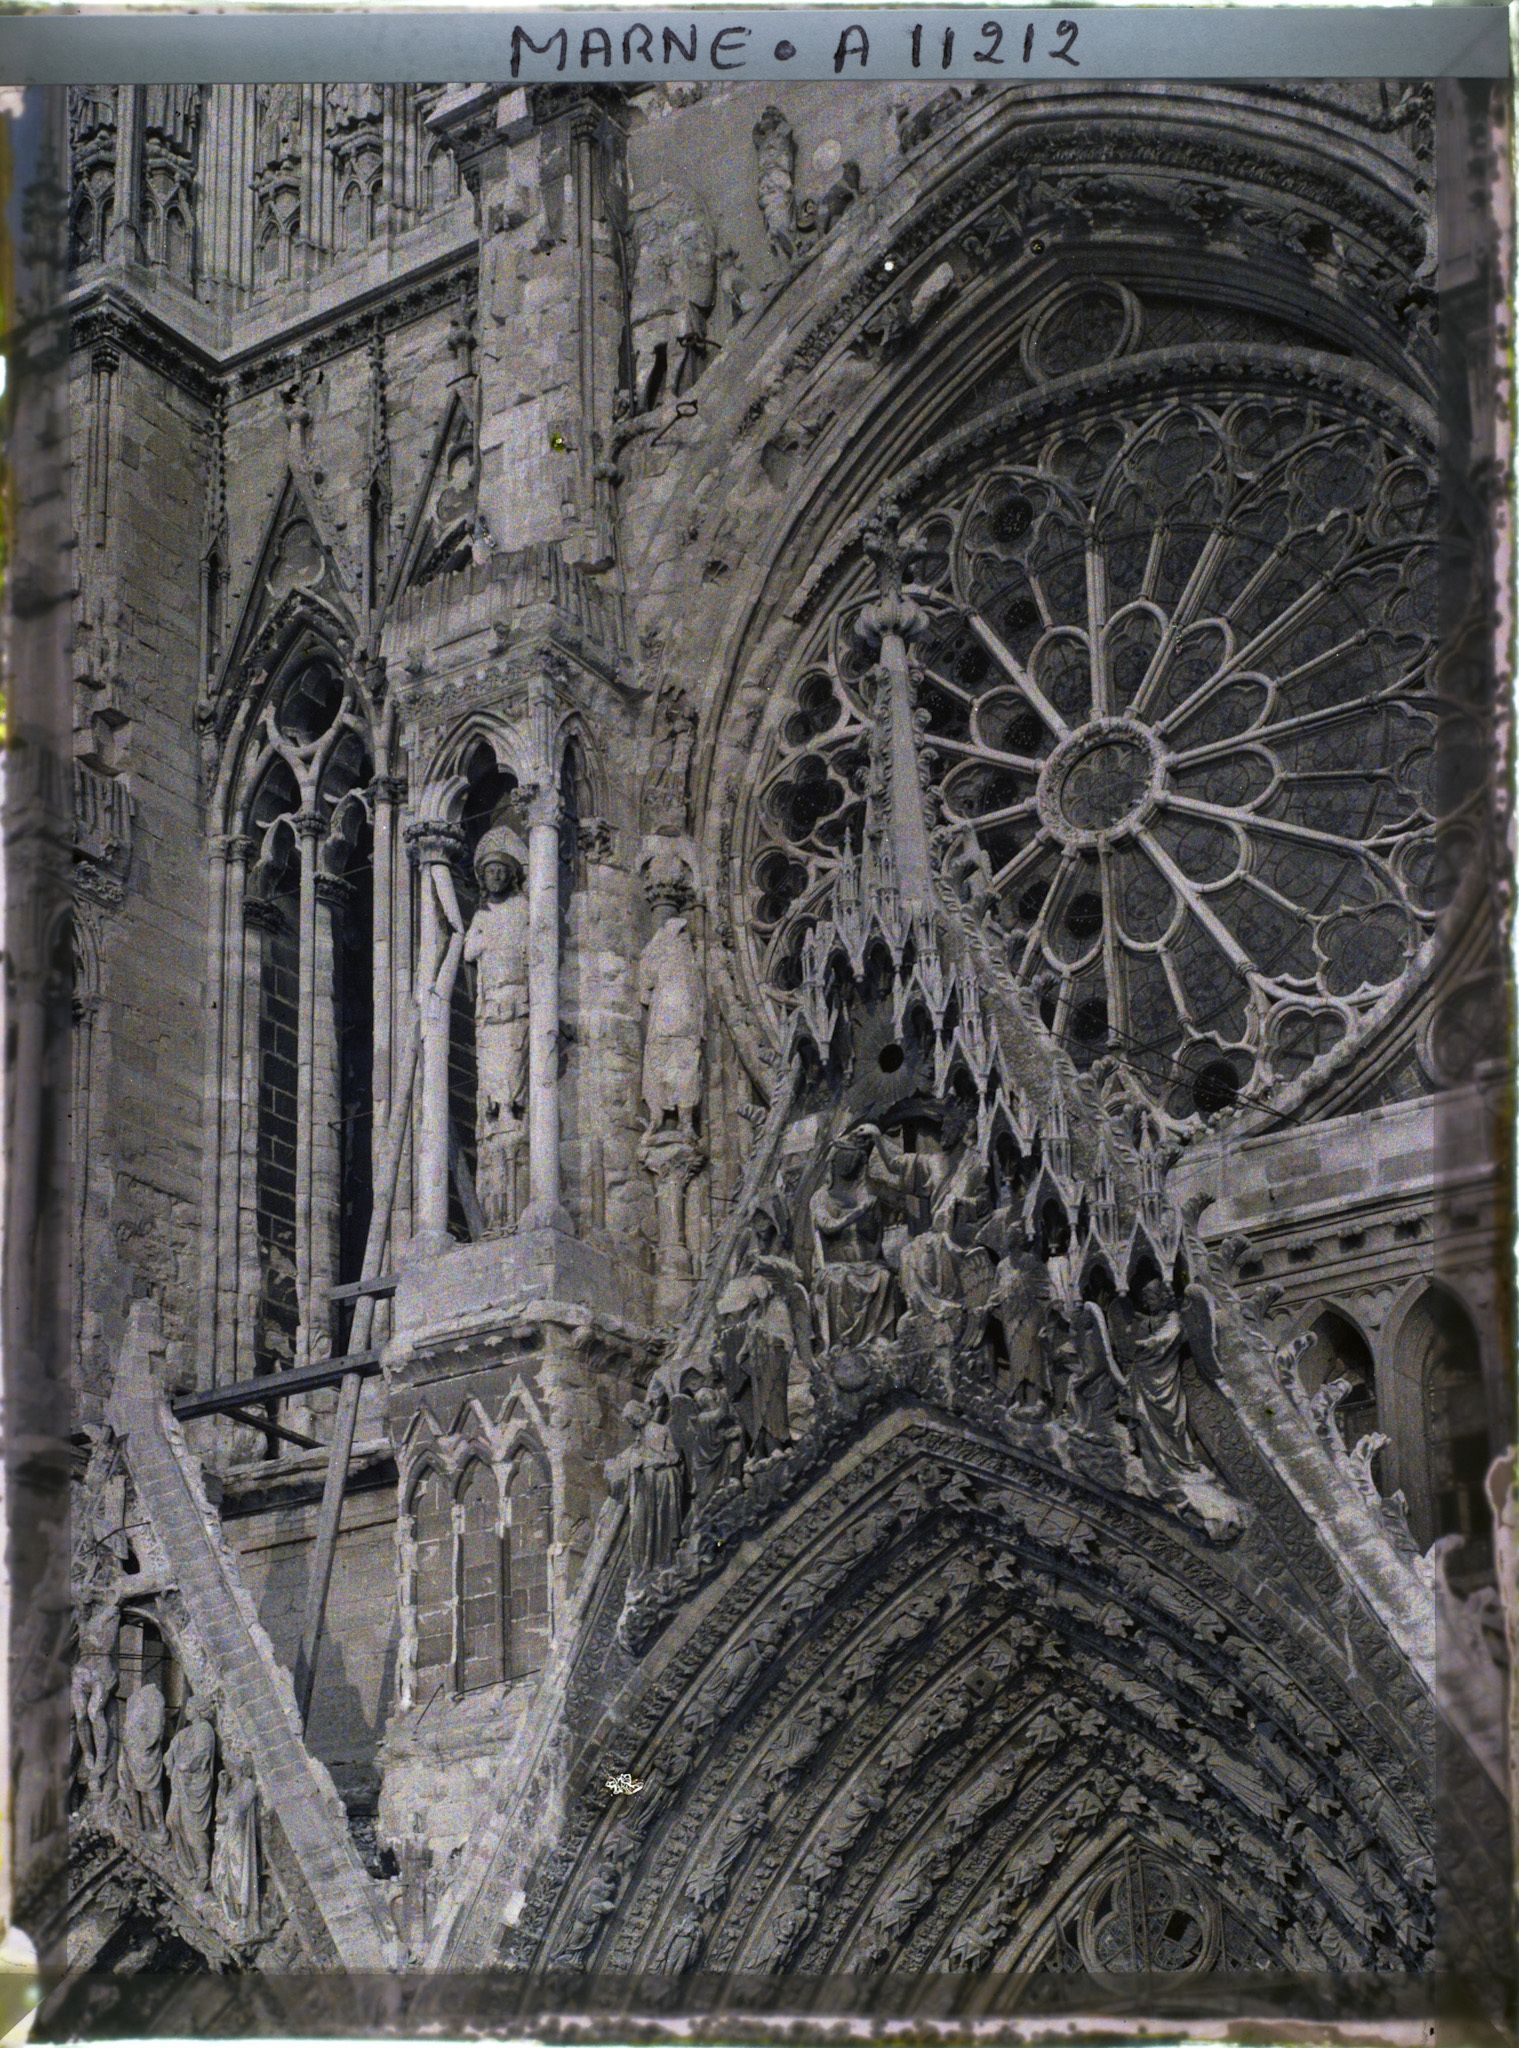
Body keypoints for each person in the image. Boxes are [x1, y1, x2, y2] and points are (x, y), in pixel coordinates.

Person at [464, 823, 530, 1228]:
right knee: (494, 1069)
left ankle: (510, 1110)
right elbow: (470, 956)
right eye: (490, 872)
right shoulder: (481, 916)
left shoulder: (523, 910)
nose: (496, 877)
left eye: (502, 870)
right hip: (491, 1006)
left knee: (514, 1063)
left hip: (518, 1000)